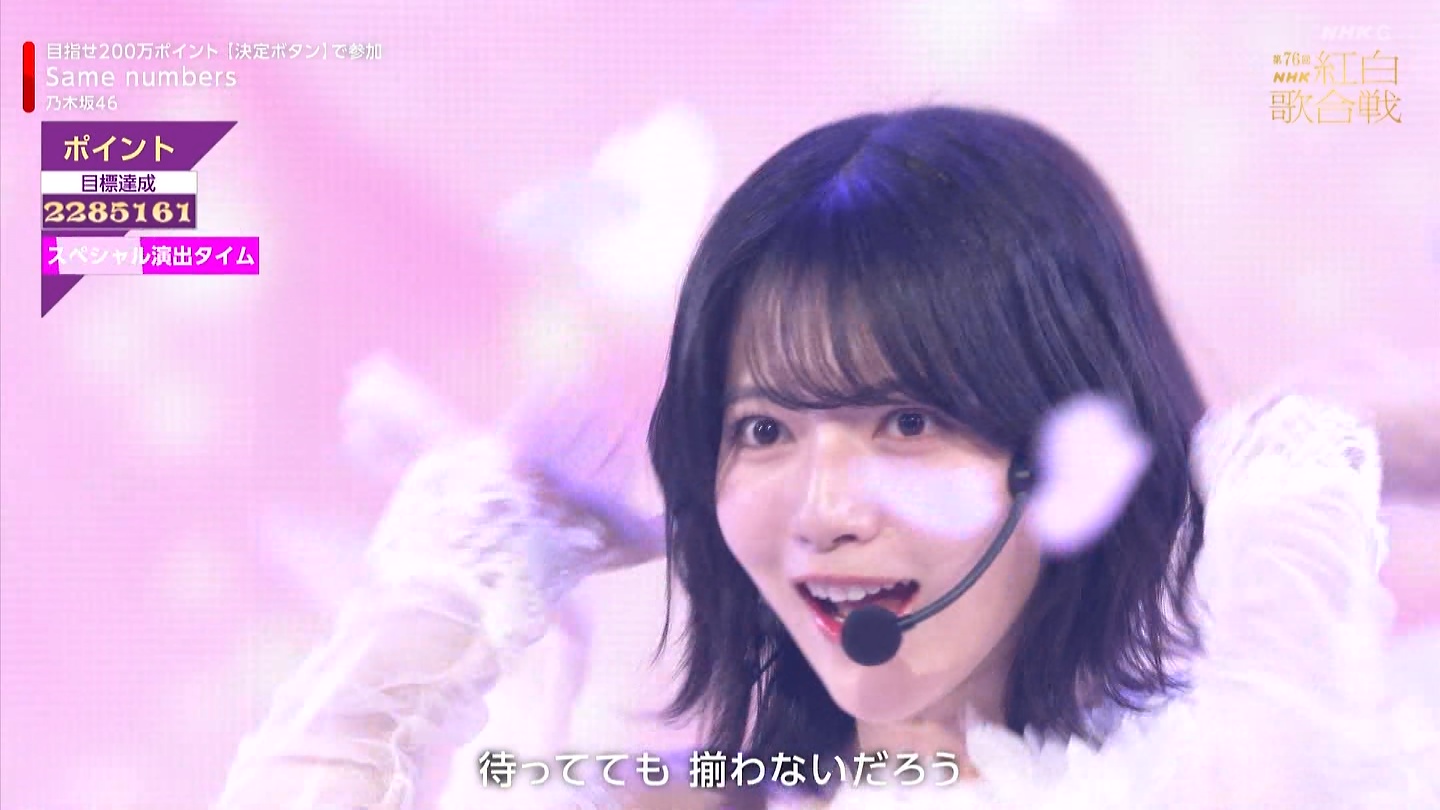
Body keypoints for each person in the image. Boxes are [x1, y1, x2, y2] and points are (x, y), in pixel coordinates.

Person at [215, 106, 1440, 809]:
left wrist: (1308, 470)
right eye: (763, 431)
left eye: (909, 422)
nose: (825, 509)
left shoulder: (1235, 752)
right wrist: (453, 591)